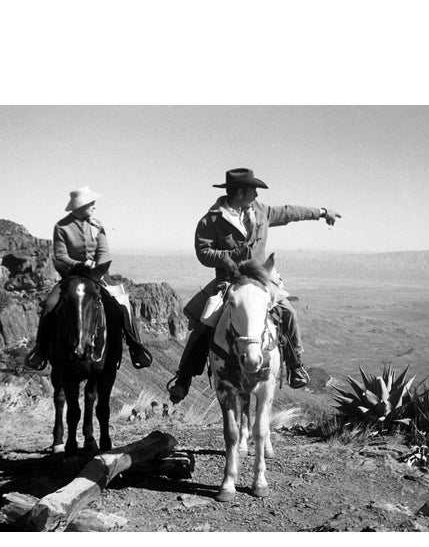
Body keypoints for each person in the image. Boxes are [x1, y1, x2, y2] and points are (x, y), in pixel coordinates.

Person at [167, 168, 341, 403]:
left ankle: (295, 366)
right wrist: (227, 257)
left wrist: (321, 212)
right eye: (253, 190)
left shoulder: (260, 211)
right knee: (205, 321)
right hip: (230, 279)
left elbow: (290, 212)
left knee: (287, 312)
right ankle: (184, 377)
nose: (257, 195)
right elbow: (203, 252)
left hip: (261, 278)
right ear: (240, 192)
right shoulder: (212, 220)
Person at [24, 186, 153, 371]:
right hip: (72, 275)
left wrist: (98, 265)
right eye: (90, 203)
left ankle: (135, 347)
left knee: (124, 301)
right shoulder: (62, 227)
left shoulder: (97, 225)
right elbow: (60, 255)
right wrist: (79, 264)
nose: (94, 205)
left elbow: (104, 252)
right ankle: (41, 349)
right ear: (79, 206)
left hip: (98, 274)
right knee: (50, 304)